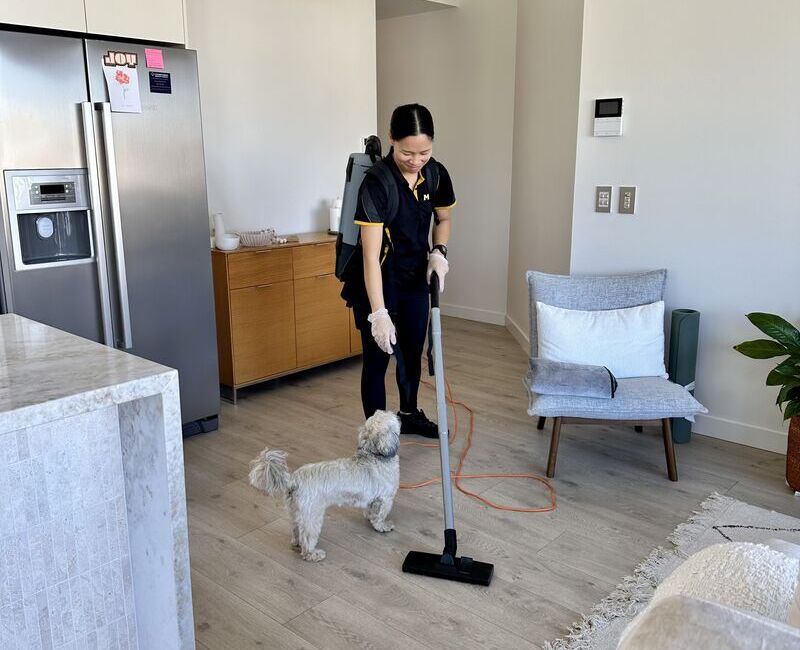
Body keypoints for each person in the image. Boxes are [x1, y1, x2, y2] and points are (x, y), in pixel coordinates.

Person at [342, 103, 456, 437]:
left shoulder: (435, 174)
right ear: (392, 139)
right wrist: (378, 313)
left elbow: (444, 218)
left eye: (424, 152)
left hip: (415, 279)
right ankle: (376, 434)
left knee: (411, 352)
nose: (416, 160)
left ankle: (408, 414)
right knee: (377, 360)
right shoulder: (377, 183)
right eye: (408, 153)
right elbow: (370, 257)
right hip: (378, 281)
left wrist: (439, 251)